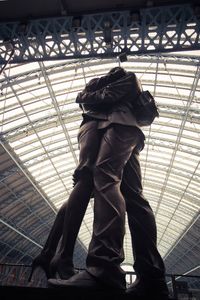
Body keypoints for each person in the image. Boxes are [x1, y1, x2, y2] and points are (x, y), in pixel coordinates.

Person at [29, 67, 168, 299]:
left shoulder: (128, 79)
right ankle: (152, 279)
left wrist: (96, 94)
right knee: (134, 197)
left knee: (105, 179)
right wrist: (102, 94)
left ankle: (103, 269)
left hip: (117, 126)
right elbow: (84, 97)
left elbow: (85, 97)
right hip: (127, 128)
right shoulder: (121, 84)